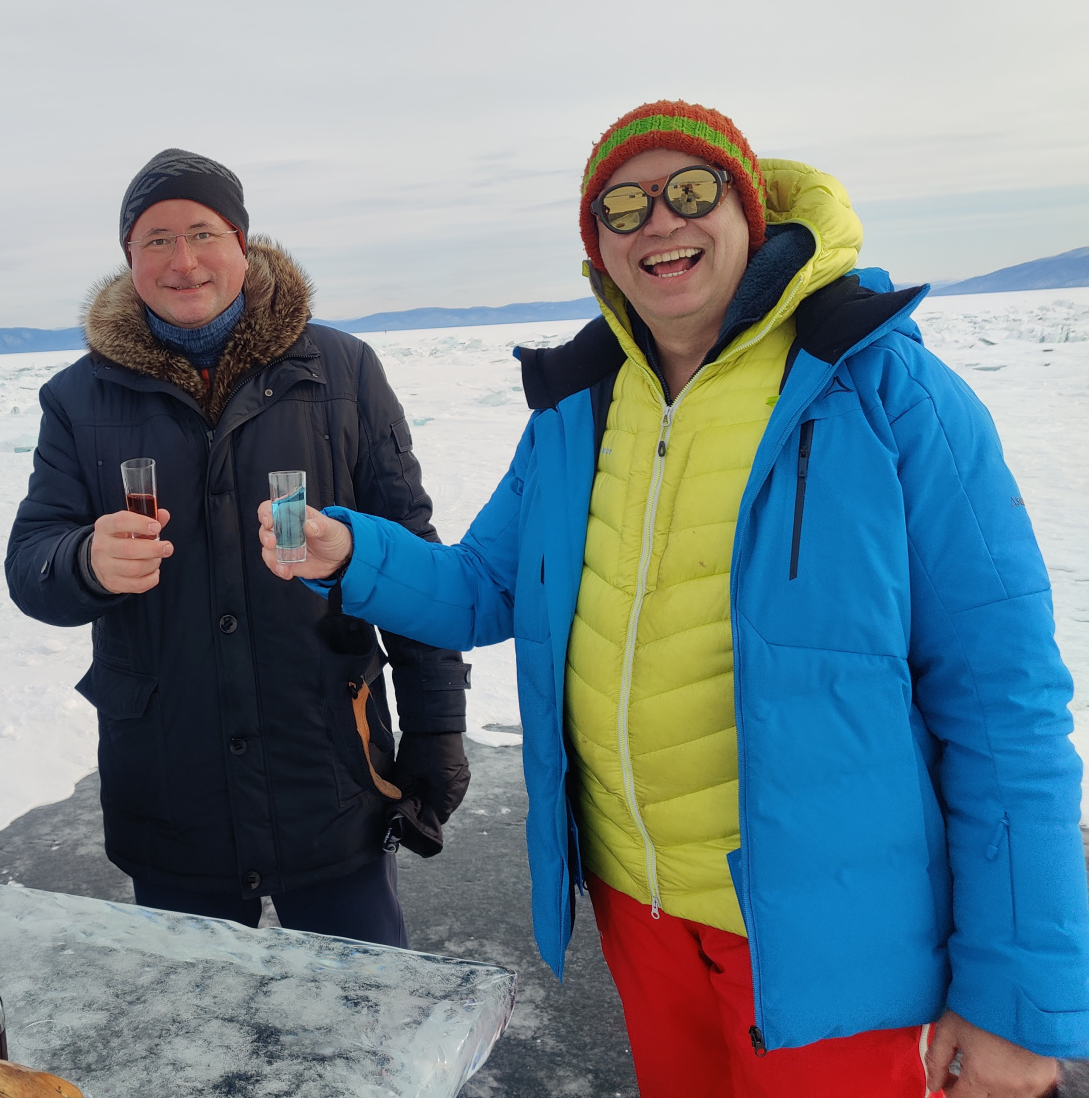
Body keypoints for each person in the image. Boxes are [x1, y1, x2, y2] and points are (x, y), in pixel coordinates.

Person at [258, 103, 1089, 1095]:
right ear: (598, 251)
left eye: (691, 191)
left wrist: (1014, 999)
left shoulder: (883, 391)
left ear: (748, 213)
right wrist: (352, 551)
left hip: (838, 943)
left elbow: (1003, 704)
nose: (657, 221)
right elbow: (485, 586)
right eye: (622, 206)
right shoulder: (578, 412)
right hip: (642, 912)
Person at [5, 149, 473, 946]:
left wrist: (437, 726)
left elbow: (413, 558)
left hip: (328, 773)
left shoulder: (342, 372)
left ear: (242, 243)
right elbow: (31, 562)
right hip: (171, 789)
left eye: (202, 233)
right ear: (128, 256)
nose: (183, 261)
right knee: (195, 1018)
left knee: (362, 1011)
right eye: (156, 240)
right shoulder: (79, 398)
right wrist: (83, 560)